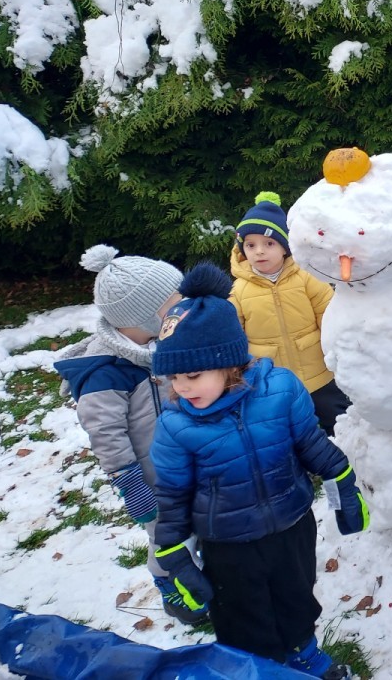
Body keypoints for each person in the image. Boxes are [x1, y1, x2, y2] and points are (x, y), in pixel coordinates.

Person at [150, 263, 368, 680]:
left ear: (230, 363)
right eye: (173, 377)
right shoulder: (176, 426)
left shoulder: (280, 390)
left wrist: (341, 479)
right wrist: (172, 552)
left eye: (192, 375)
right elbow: (173, 495)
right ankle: (259, 669)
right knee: (242, 614)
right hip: (228, 544)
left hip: (291, 525)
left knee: (296, 595)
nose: (182, 387)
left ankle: (303, 652)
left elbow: (310, 443)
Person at [53, 245, 202, 625]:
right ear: (144, 316)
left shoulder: (157, 345)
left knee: (197, 521)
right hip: (151, 478)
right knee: (169, 534)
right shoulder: (105, 372)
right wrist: (130, 483)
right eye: (174, 303)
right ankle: (172, 586)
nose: (183, 308)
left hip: (183, 461)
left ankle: (201, 570)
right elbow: (106, 434)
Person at [229, 191, 351, 435]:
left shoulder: (306, 277)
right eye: (251, 245)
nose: (259, 251)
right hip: (272, 380)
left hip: (318, 374)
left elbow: (329, 315)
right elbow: (234, 335)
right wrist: (239, 370)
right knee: (283, 431)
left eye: (269, 244)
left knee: (338, 421)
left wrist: (340, 351)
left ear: (285, 247)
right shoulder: (239, 290)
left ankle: (347, 449)